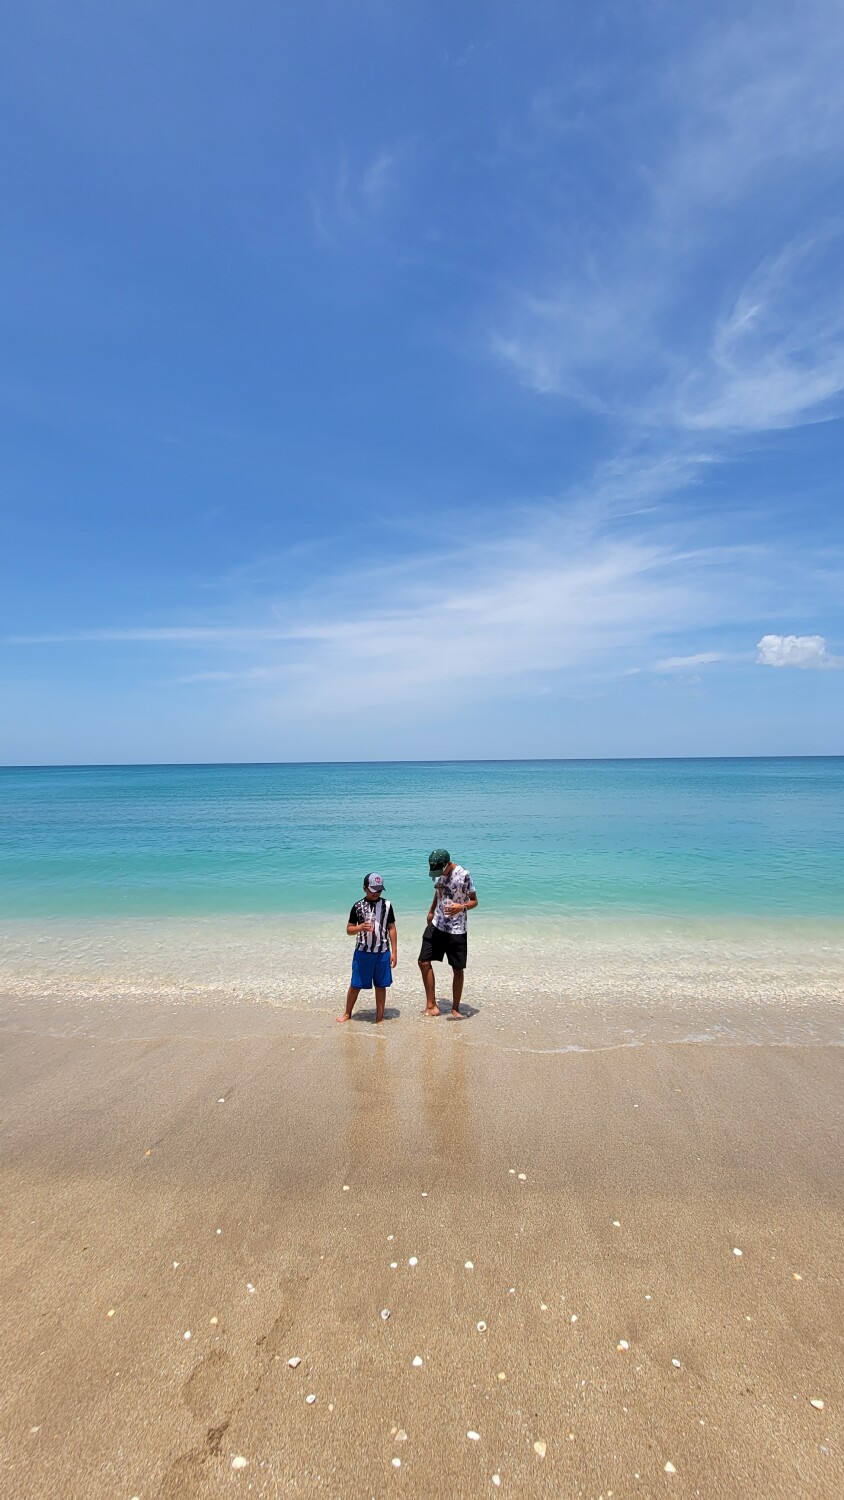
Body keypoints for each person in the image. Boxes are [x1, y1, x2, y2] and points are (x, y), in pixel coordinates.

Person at [418, 848, 478, 1017]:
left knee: (457, 969)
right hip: (437, 923)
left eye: (439, 870)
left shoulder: (464, 875)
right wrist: (431, 911)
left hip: (457, 929)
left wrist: (462, 907)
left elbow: (475, 901)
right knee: (423, 961)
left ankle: (455, 1008)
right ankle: (432, 1006)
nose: (438, 874)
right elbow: (438, 893)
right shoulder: (439, 873)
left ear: (447, 864)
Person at [337, 873, 397, 1024]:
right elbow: (349, 930)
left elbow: (392, 928)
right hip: (363, 952)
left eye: (379, 890)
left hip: (382, 952)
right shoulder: (357, 906)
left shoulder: (387, 905)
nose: (376, 893)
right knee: (355, 984)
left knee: (381, 985)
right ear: (365, 888)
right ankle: (347, 1013)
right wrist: (360, 927)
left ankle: (379, 1016)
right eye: (372, 890)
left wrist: (394, 952)